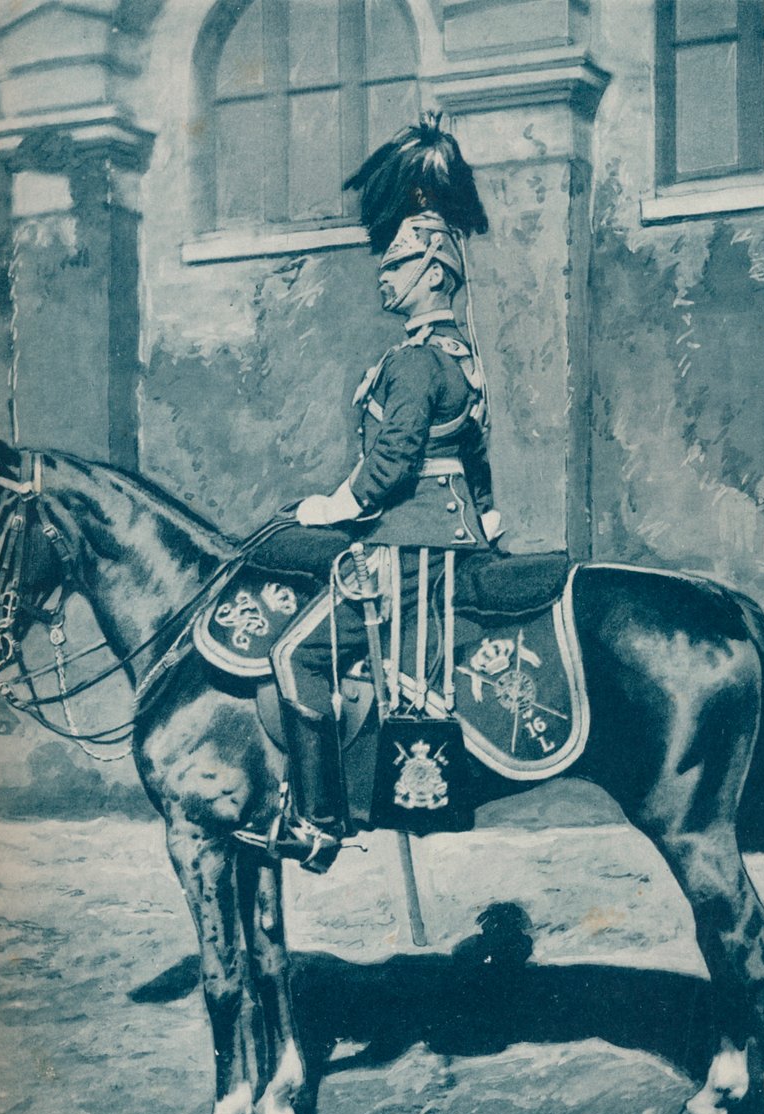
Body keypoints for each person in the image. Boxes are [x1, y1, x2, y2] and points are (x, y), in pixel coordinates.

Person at [264, 117, 500, 867]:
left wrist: (332, 507)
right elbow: (473, 457)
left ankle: (316, 821)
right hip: (455, 537)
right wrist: (488, 514)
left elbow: (393, 462)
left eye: (395, 265)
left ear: (433, 272)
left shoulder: (413, 361)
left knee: (295, 656)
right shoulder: (460, 357)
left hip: (406, 544)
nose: (383, 275)